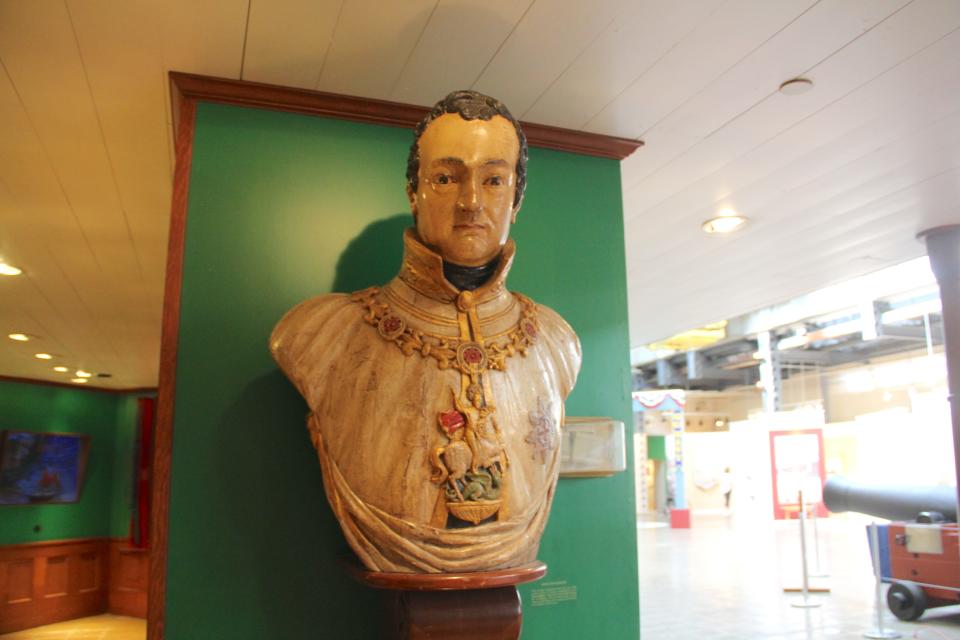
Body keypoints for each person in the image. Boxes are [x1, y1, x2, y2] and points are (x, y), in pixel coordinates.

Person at [270, 90, 581, 573]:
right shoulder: (322, 334)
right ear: (413, 192)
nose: (471, 202)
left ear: (516, 200)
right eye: (446, 177)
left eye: (494, 180)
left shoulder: (556, 342)